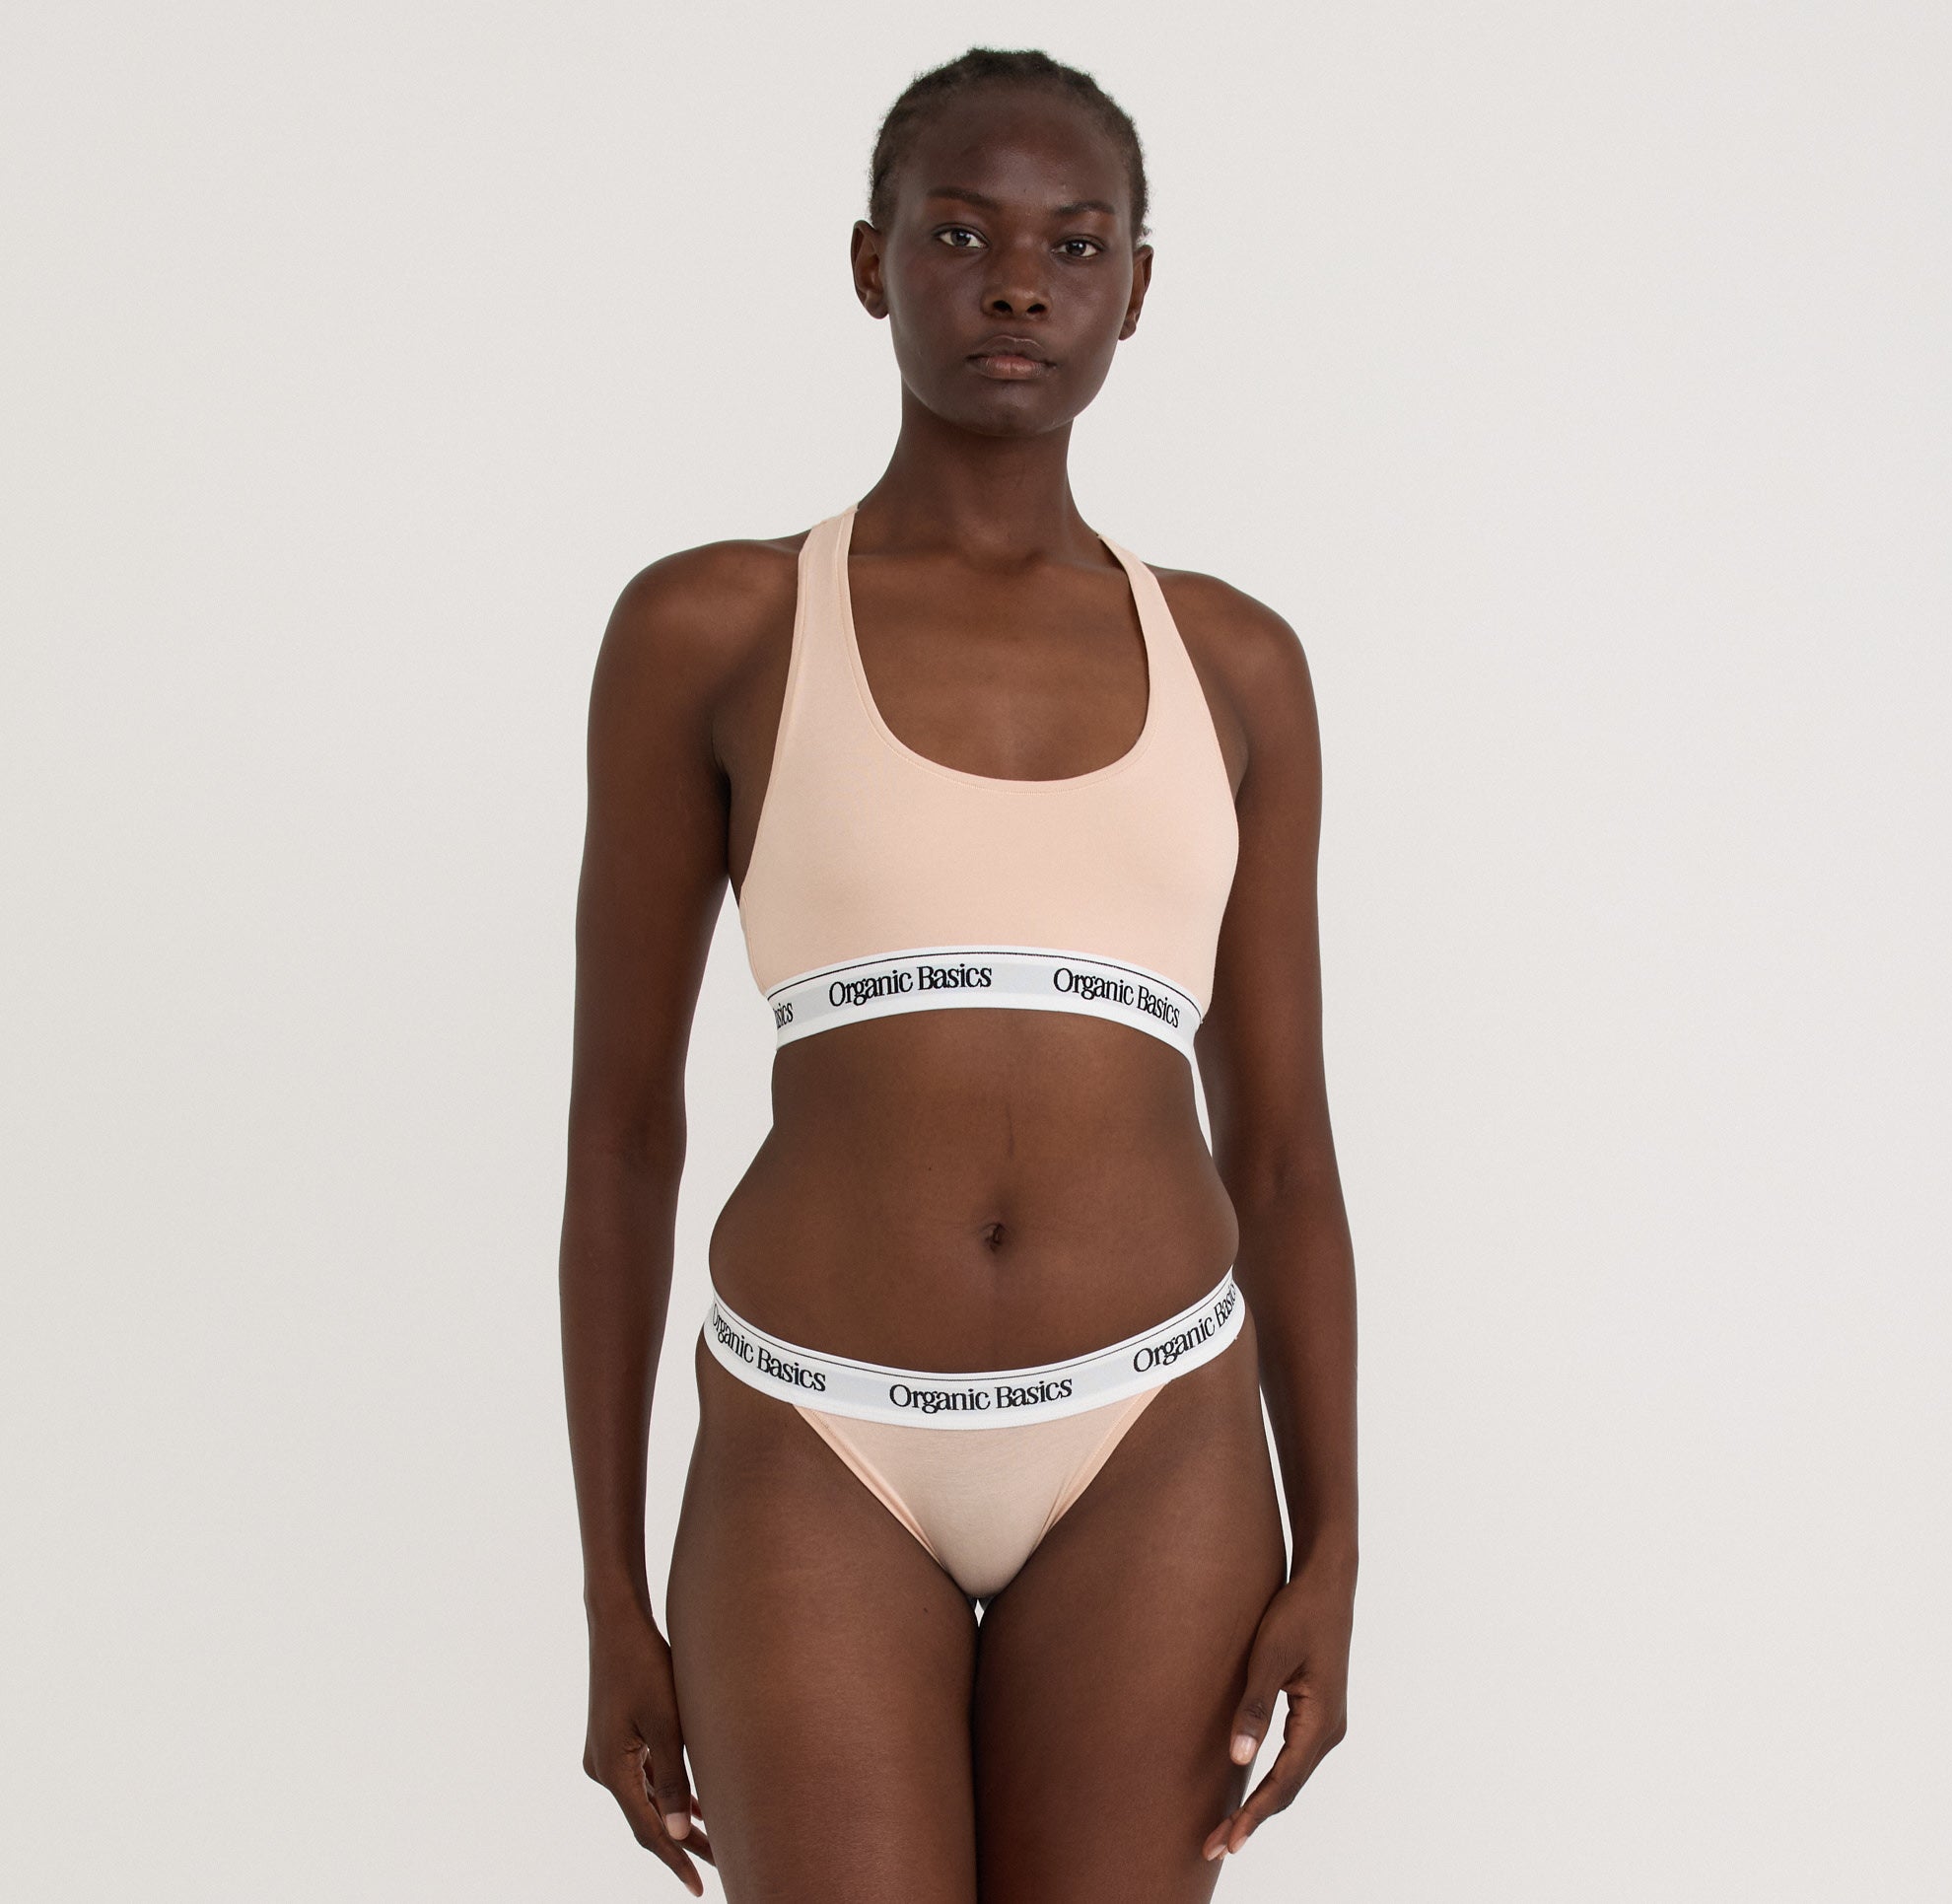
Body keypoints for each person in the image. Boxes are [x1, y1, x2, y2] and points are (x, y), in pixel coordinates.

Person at [559, 46, 1358, 1900]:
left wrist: (1335, 1549)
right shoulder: (716, 625)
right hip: (815, 1437)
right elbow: (621, 1134)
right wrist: (608, 1593)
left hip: (1157, 1435)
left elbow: (1286, 1150)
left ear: (1136, 288)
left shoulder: (1238, 665)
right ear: (872, 262)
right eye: (959, 234)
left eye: (1075, 245)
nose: (1017, 285)